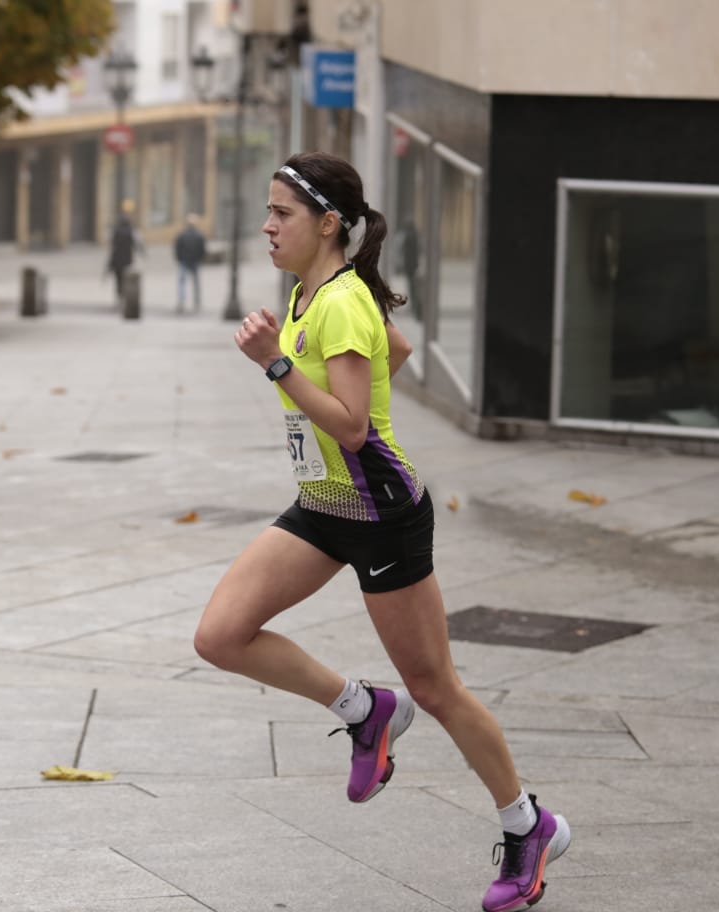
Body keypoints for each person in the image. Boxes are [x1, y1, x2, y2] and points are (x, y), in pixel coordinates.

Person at [194, 151, 571, 912]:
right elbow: (391, 352)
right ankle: (365, 710)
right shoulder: (316, 291)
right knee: (221, 634)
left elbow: (355, 426)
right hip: (324, 505)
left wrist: (275, 365)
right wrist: (310, 368)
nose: (267, 226)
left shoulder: (337, 303)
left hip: (381, 515)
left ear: (328, 223)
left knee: (437, 688)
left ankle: (528, 823)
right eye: (267, 211)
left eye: (282, 214)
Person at [106, 204, 145, 304]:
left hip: (117, 260)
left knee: (118, 280)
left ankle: (119, 297)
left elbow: (112, 244)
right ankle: (124, 297)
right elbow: (137, 244)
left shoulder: (116, 230)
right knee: (125, 280)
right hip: (127, 260)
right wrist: (143, 253)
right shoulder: (130, 231)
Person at [173, 213, 207, 314]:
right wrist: (200, 258)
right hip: (194, 261)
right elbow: (202, 250)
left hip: (184, 261)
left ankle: (182, 300)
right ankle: (197, 301)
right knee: (196, 283)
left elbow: (178, 248)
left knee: (182, 282)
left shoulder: (182, 235)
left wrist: (179, 258)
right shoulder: (199, 235)